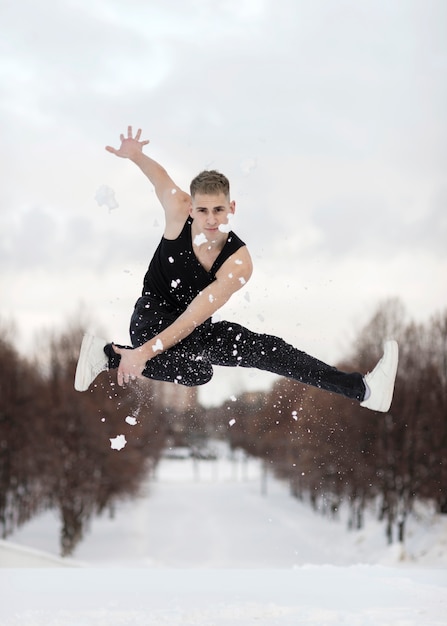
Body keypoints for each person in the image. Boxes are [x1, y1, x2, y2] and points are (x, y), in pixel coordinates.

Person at [75, 126, 398, 412]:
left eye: (218, 210)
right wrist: (134, 155)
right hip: (150, 321)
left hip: (191, 327)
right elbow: (159, 178)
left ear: (231, 208)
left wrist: (142, 356)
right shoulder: (177, 210)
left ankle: (362, 390)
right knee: (200, 373)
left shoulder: (238, 262)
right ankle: (108, 355)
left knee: (265, 349)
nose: (211, 219)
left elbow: (193, 318)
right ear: (191, 207)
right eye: (202, 210)